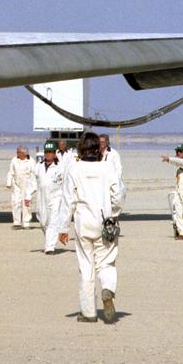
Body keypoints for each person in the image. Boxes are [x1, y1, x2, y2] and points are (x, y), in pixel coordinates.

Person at [59, 131, 125, 323]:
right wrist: (113, 213)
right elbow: (119, 195)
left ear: (81, 149)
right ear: (99, 149)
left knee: (86, 266)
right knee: (106, 262)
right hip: (104, 222)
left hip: (83, 223)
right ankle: (108, 289)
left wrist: (63, 228)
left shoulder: (74, 168)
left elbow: (67, 200)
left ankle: (88, 312)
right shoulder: (107, 167)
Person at [33, 141, 65, 254]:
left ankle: (50, 247)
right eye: (46, 152)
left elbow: (66, 184)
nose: (48, 154)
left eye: (50, 152)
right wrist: (27, 196)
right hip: (41, 198)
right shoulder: (38, 166)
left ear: (55, 153)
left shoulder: (60, 167)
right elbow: (33, 181)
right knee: (43, 221)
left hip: (56, 197)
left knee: (53, 221)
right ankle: (49, 240)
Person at [6, 145, 36, 229]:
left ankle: (26, 223)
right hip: (17, 185)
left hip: (28, 186)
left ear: (24, 153)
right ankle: (17, 222)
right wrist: (9, 183)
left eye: (18, 152)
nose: (17, 153)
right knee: (16, 203)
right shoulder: (14, 160)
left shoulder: (31, 161)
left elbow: (34, 174)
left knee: (26, 204)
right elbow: (11, 172)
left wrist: (34, 186)